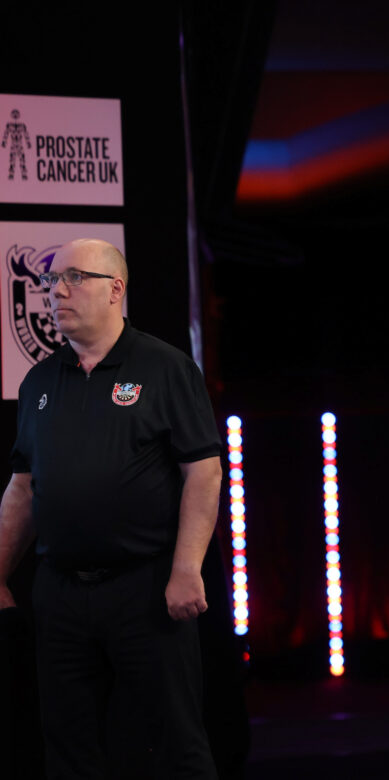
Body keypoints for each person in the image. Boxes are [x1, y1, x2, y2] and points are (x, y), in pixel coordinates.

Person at [0, 238, 223, 778]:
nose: (57, 291)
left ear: (115, 289)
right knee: (68, 747)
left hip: (145, 588)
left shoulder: (165, 367)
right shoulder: (39, 380)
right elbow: (22, 489)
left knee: (173, 743)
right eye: (52, 280)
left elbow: (204, 473)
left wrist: (186, 568)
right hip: (59, 592)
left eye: (74, 278)